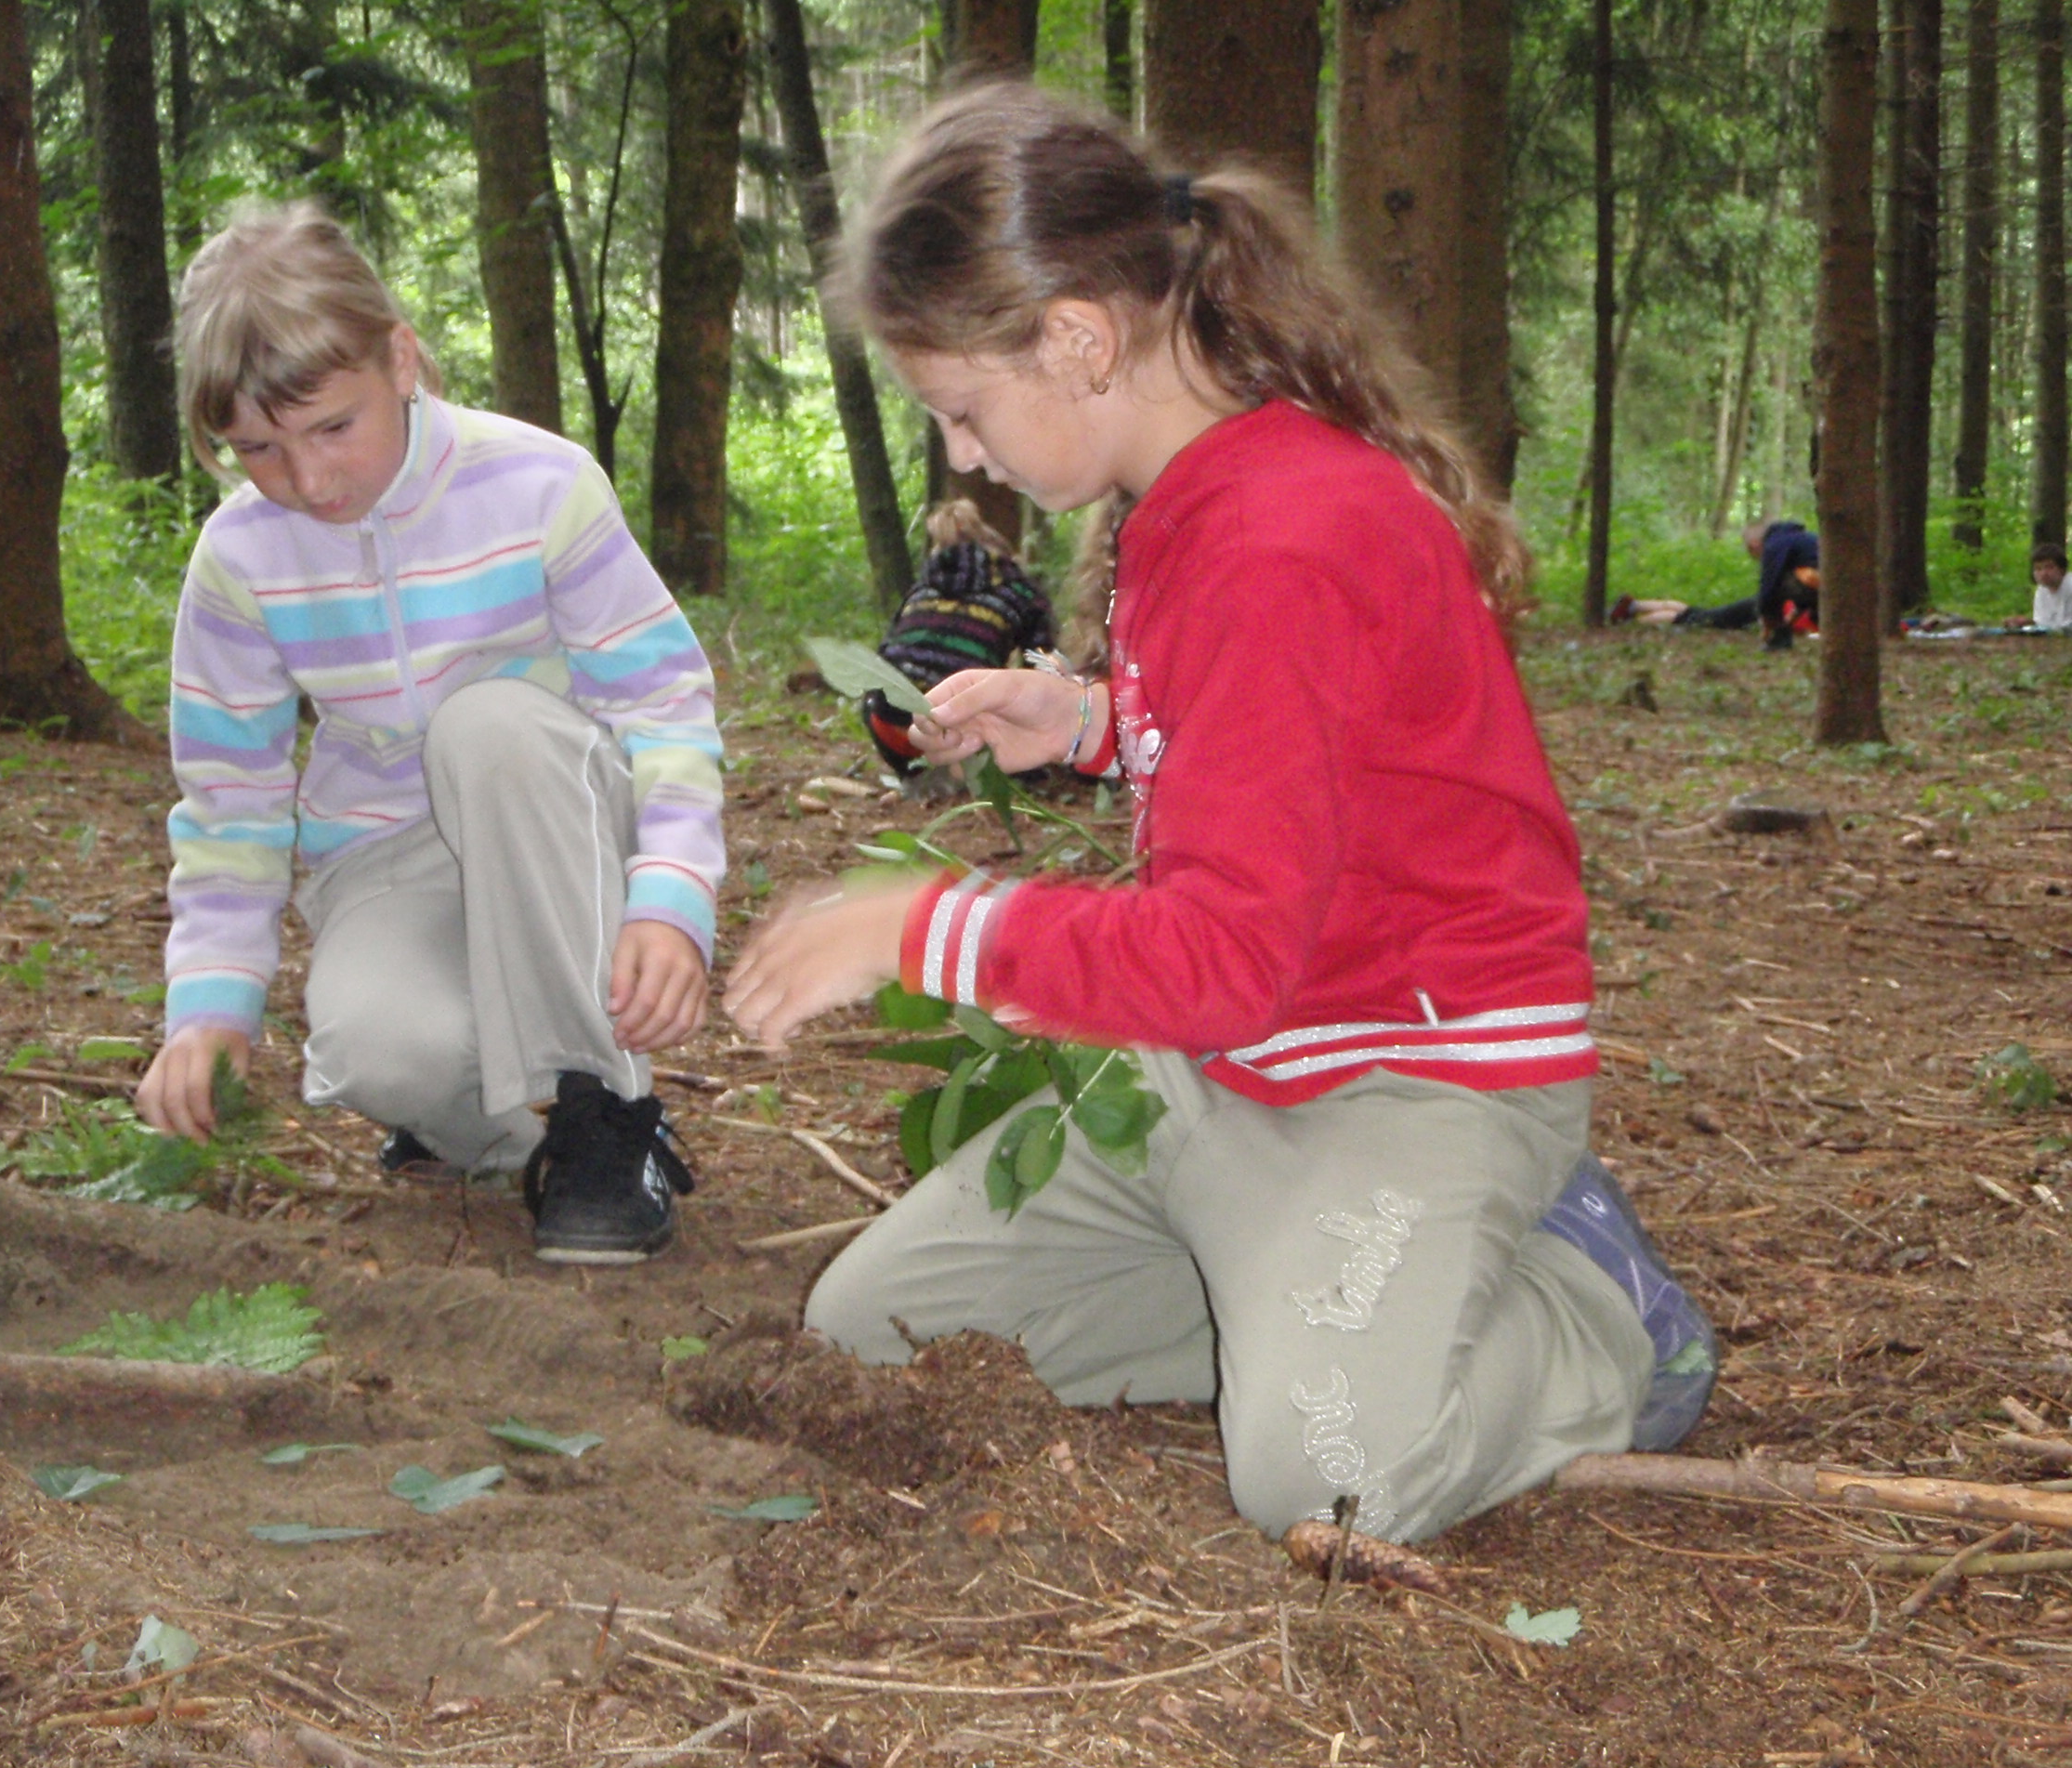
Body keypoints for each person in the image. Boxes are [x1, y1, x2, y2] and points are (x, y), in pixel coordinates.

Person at [723, 83, 1716, 1546]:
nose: (965, 458)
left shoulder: (1284, 536)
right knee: (876, 1332)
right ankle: (1309, 1304)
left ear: (1077, 339)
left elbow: (1225, 952)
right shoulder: (1189, 504)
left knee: (1330, 1477)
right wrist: (1086, 723)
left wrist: (921, 927)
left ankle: (1591, 1310)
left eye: (963, 412)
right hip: (1222, 1075)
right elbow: (1283, 761)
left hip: (1410, 1074)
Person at [134, 202, 724, 1265]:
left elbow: (663, 703)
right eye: (258, 449)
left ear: (400, 361)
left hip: (556, 819)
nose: (309, 481)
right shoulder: (239, 560)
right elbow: (231, 799)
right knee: (376, 1050)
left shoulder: (539, 485)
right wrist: (211, 1004)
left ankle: (604, 1116)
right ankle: (502, 1132)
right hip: (386, 850)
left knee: (487, 723)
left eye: (333, 428)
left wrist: (673, 895)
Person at [861, 499, 1058, 775]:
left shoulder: (921, 590)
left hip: (890, 728)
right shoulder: (1020, 591)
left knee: (881, 693)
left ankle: (916, 774)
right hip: (959, 734)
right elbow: (1042, 666)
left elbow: (884, 655)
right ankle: (995, 771)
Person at [1611, 518, 1820, 648]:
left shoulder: (1777, 545)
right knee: (1702, 617)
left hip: (1797, 593)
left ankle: (1635, 607)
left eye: (1752, 553)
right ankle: (1635, 615)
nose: (1757, 559)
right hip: (1802, 592)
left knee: (1702, 615)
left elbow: (1770, 587)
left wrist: (1770, 618)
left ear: (1755, 545)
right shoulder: (1797, 539)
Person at [2031, 543, 2072, 633]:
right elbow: (2042, 625)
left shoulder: (2070, 586)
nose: (2043, 573)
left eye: (2049, 567)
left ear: (2062, 569)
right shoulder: (2041, 591)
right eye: (2038, 569)